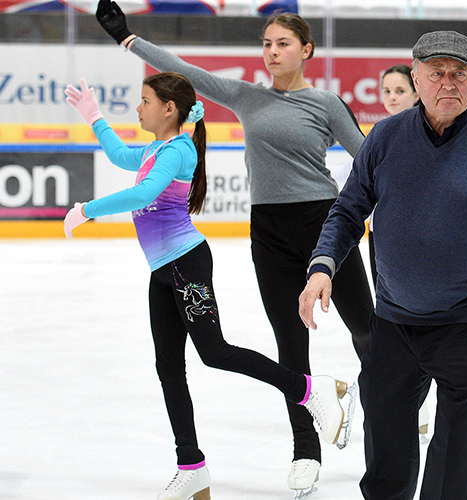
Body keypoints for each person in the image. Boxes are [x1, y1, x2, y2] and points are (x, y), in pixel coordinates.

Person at [94, 2, 372, 493]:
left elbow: (369, 161)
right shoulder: (246, 97)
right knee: (291, 342)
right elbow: (185, 72)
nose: (272, 51)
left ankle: (391, 424)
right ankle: (305, 451)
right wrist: (128, 39)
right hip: (269, 232)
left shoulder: (327, 104)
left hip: (326, 225)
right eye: (266, 43)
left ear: (306, 49)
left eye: (282, 43)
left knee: (367, 331)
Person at [298, 30, 467, 500]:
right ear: (416, 77)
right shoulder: (385, 137)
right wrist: (323, 265)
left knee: (455, 446)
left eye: (459, 74)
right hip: (394, 319)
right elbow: (348, 209)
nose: (449, 83)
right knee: (385, 439)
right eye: (437, 73)